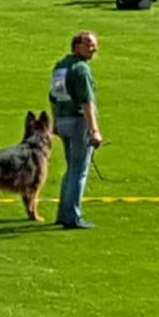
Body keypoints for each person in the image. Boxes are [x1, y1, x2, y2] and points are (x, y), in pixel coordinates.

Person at [49, 31, 103, 230]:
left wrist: (55, 122)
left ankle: (64, 213)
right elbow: (87, 102)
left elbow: (53, 97)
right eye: (89, 44)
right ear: (77, 45)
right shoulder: (81, 69)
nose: (94, 48)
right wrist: (94, 130)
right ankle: (72, 216)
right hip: (78, 122)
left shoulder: (60, 66)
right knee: (79, 170)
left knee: (71, 168)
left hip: (63, 121)